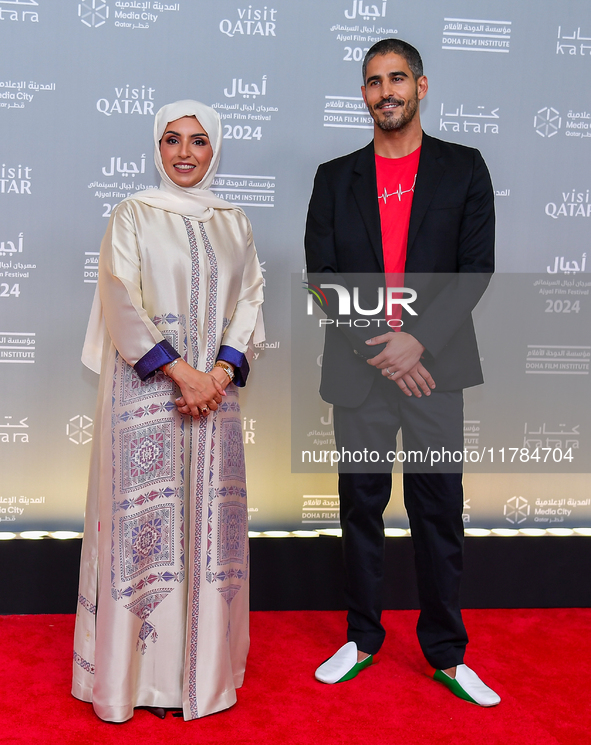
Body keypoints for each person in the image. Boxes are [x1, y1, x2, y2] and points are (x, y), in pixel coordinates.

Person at [305, 39, 500, 706]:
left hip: (434, 373)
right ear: (362, 94)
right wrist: (378, 345)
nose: (384, 90)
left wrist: (416, 340)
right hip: (360, 373)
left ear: (420, 85)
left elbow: (474, 270)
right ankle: (362, 637)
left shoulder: (463, 168)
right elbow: (322, 280)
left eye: (395, 78)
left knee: (437, 507)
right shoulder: (334, 178)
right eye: (371, 81)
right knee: (361, 505)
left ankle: (446, 650)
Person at [72, 100, 264, 722]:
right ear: (157, 147)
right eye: (173, 140)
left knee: (211, 529)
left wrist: (219, 374)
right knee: (146, 529)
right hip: (149, 395)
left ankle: (204, 678)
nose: (185, 153)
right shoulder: (132, 214)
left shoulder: (235, 221)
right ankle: (144, 681)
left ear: (216, 149)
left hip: (216, 398)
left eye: (199, 141)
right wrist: (182, 373)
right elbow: (119, 295)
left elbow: (251, 300)